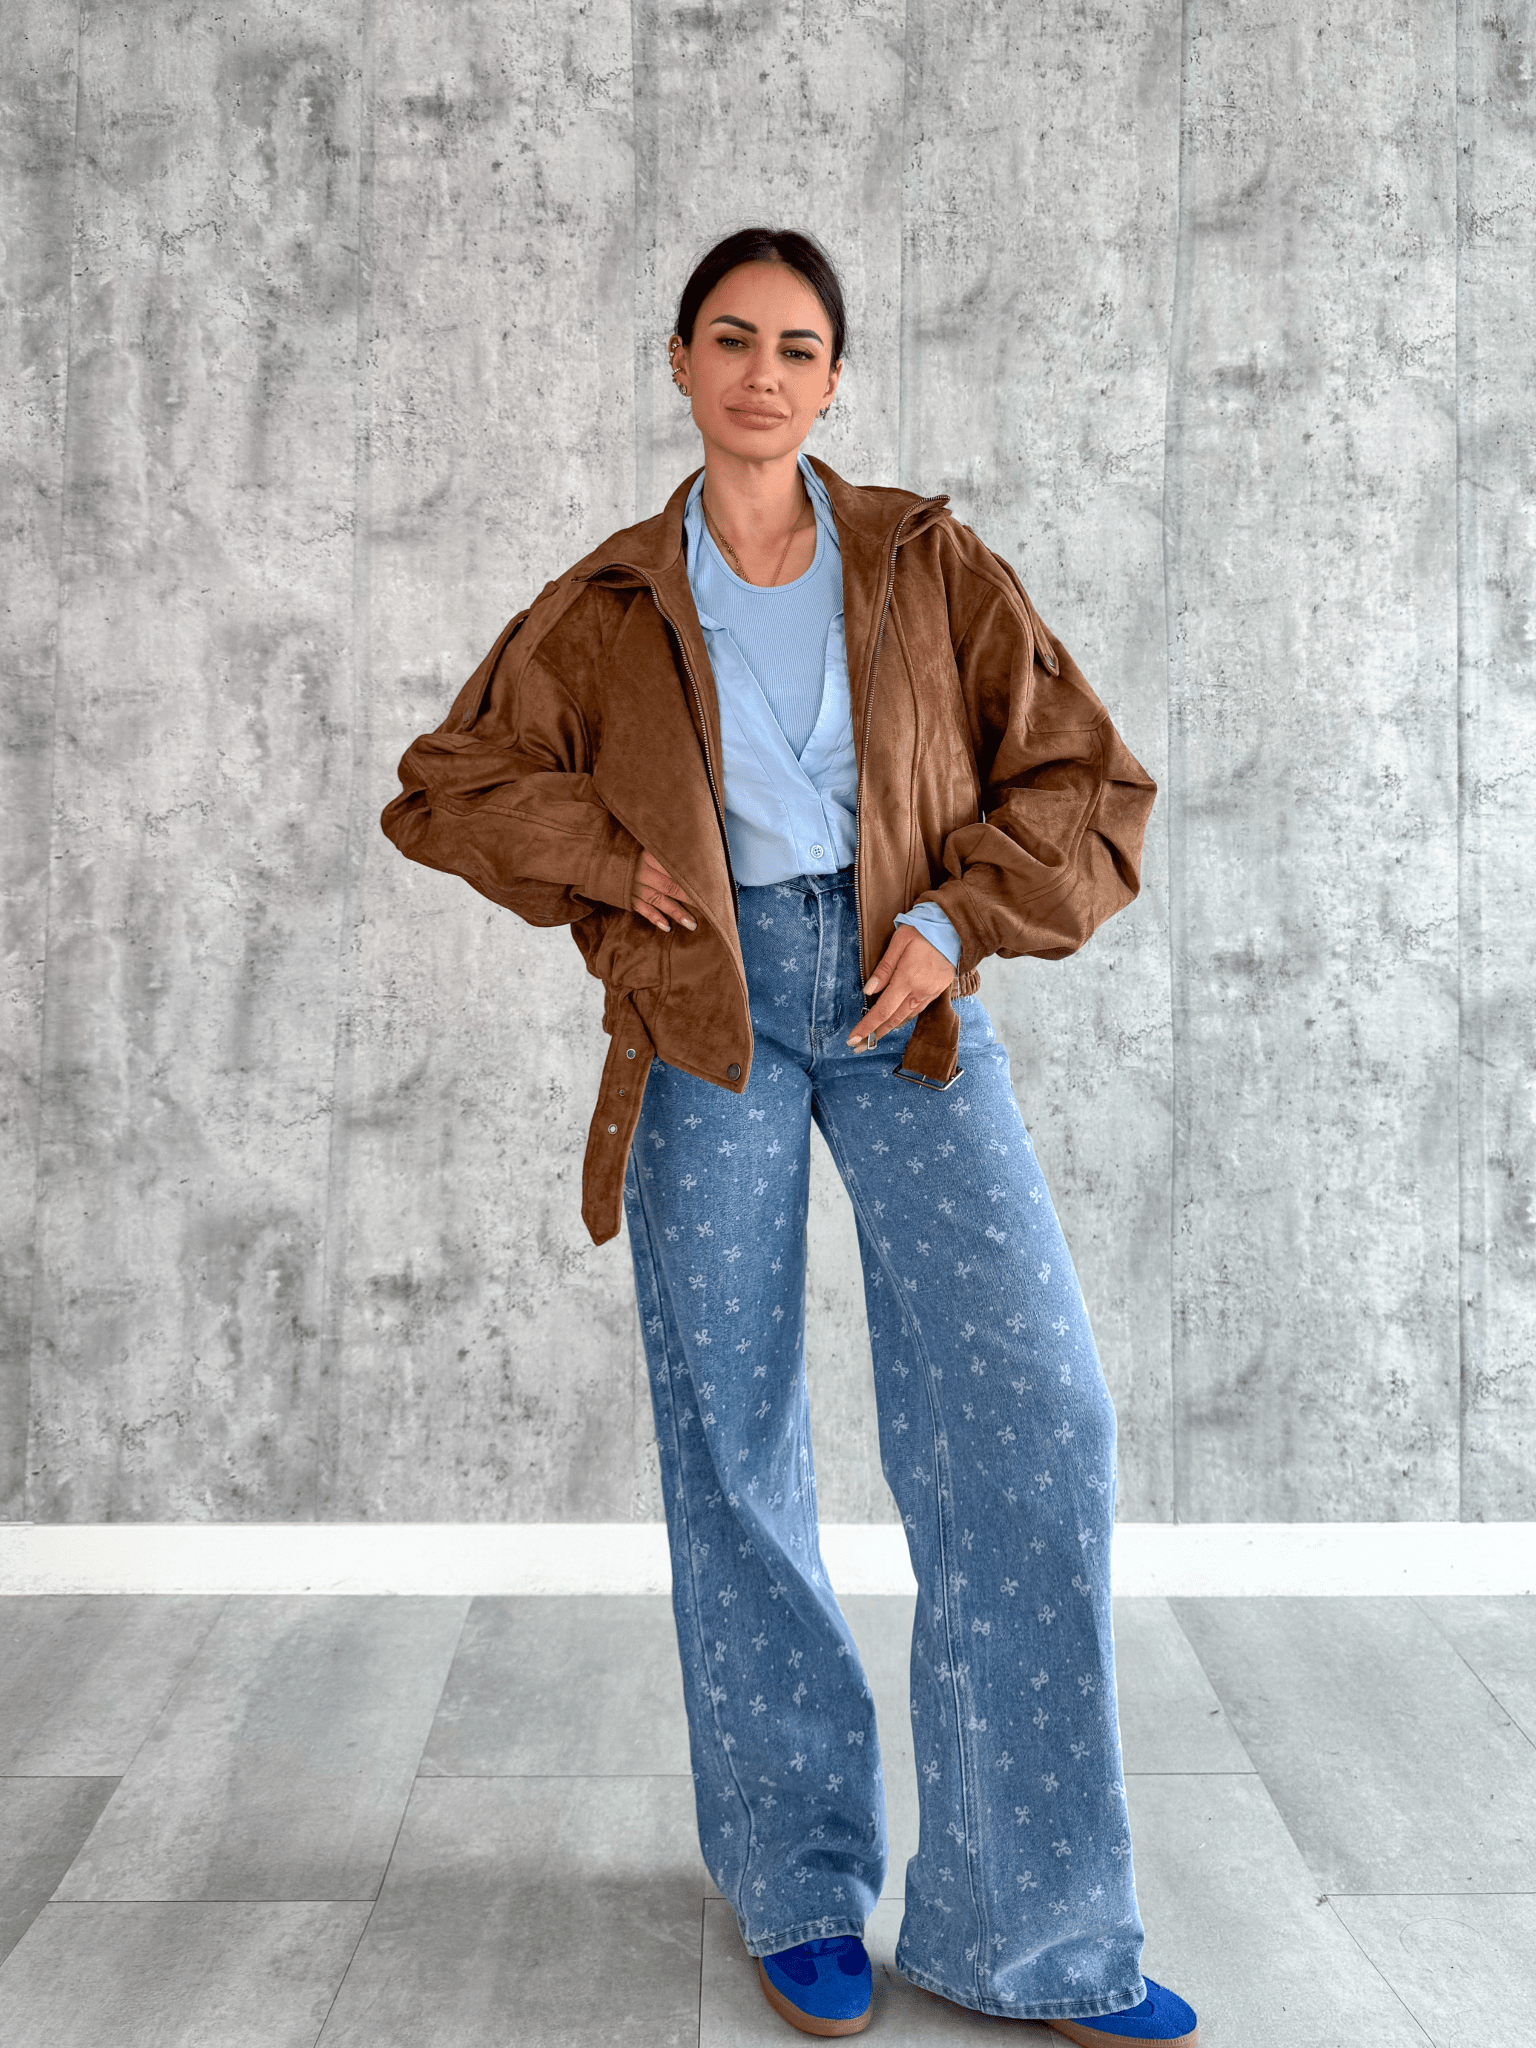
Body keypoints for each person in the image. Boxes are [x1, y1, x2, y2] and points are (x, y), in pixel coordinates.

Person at [381, 227, 1197, 2045]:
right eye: (732, 339)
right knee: (735, 1439)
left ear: (836, 379)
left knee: (1035, 1413)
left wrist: (958, 919)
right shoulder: (608, 599)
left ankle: (1031, 1935)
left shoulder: (924, 558)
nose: (764, 372)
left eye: (799, 346)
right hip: (709, 1015)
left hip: (909, 999)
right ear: (680, 362)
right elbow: (451, 784)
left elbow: (1085, 778)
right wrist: (614, 865)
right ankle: (798, 1880)